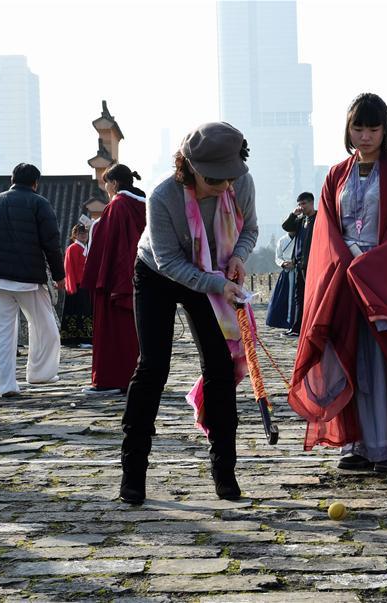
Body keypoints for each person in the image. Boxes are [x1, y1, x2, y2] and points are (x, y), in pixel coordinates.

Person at [287, 92, 387, 474]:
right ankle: (359, 444)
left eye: (373, 129)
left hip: (385, 284)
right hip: (346, 281)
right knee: (352, 360)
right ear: (348, 129)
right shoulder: (336, 175)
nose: (365, 136)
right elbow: (327, 229)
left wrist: (372, 265)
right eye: (358, 128)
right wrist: (346, 263)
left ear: (385, 130)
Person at [119, 122, 257, 505]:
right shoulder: (163, 196)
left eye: (230, 178)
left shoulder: (240, 181)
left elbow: (250, 230)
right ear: (190, 168)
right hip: (159, 273)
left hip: (214, 273)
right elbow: (168, 262)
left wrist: (239, 259)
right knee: (153, 366)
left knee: (220, 365)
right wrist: (216, 284)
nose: (225, 188)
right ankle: (133, 471)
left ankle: (224, 470)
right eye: (215, 181)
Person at [0, 163, 65, 397]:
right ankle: (39, 373)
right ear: (35, 183)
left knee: (1, 334)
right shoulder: (39, 203)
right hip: (28, 277)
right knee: (46, 327)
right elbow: (51, 242)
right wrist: (59, 275)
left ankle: (5, 387)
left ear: (12, 180)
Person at [81, 164, 147, 395]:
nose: (105, 188)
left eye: (106, 183)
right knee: (133, 333)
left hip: (115, 278)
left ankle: (110, 379)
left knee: (112, 332)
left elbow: (109, 245)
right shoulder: (142, 205)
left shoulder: (118, 205)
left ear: (115, 183)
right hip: (139, 276)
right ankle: (131, 377)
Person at [281, 192, 317, 337]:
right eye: (299, 204)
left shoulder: (319, 218)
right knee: (299, 297)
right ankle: (297, 328)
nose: (301, 207)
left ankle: (312, 327)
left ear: (311, 203)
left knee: (312, 297)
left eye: (304, 204)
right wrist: (293, 215)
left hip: (313, 264)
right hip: (299, 265)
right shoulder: (301, 220)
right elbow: (286, 226)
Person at [60, 224, 93, 347]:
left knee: (85, 311)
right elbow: (69, 268)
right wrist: (71, 285)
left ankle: (84, 339)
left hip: (85, 285)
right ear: (75, 235)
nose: (84, 235)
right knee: (78, 312)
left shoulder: (85, 248)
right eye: (80, 233)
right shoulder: (73, 248)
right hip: (76, 285)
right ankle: (80, 340)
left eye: (85, 233)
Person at [266, 232, 296, 330]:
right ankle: (285, 321)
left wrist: (295, 263)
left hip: (297, 270)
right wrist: (283, 263)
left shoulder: (300, 238)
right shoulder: (282, 240)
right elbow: (277, 257)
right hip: (286, 272)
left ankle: (294, 321)